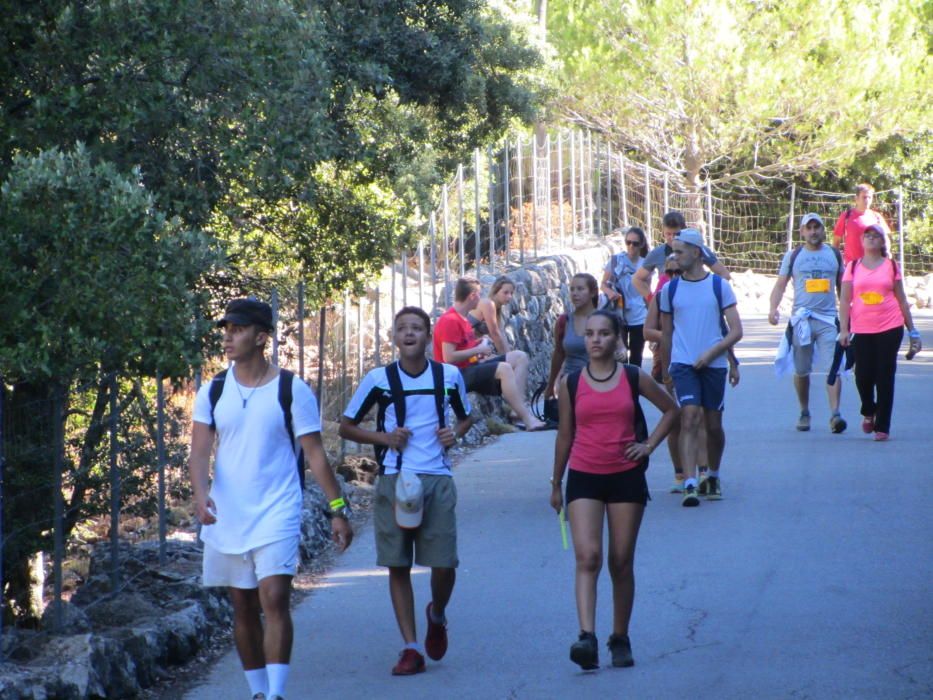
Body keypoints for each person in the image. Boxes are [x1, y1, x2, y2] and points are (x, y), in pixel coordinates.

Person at [189, 298, 352, 700]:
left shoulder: (290, 389)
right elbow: (198, 450)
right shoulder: (212, 390)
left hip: (277, 507)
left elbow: (314, 453)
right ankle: (258, 692)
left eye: (238, 329)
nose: (228, 336)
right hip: (228, 511)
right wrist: (200, 495)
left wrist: (337, 510)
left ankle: (276, 694)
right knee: (242, 607)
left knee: (275, 597)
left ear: (262, 337)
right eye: (226, 328)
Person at [339, 307, 472, 675]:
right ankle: (411, 647)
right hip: (394, 479)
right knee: (398, 563)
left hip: (438, 478)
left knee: (444, 563)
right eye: (402, 329)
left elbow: (466, 415)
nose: (409, 334)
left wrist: (454, 434)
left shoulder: (448, 376)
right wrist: (383, 438)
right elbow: (346, 426)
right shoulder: (378, 379)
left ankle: (437, 612)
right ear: (394, 338)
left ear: (428, 337)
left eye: (417, 328)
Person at [550, 310, 678, 671]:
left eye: (603, 334)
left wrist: (648, 446)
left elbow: (672, 410)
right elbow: (564, 436)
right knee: (587, 557)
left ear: (617, 338)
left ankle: (619, 637)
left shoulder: (632, 376)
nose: (595, 340)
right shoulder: (571, 383)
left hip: (625, 476)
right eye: (589, 334)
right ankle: (586, 637)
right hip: (584, 475)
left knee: (620, 562)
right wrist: (555, 482)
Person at [659, 229, 743, 506]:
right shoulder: (669, 290)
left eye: (680, 251)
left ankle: (714, 475)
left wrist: (714, 355)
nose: (675, 256)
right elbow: (667, 333)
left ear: (696, 253)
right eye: (674, 251)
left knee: (713, 424)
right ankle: (691, 481)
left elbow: (735, 330)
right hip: (683, 364)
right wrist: (666, 369)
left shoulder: (719, 286)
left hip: (713, 364)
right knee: (689, 417)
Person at [838, 225, 921, 441]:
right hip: (862, 328)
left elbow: (902, 299)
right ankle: (868, 409)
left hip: (890, 327)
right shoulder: (853, 267)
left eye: (876, 236)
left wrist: (912, 331)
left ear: (883, 242)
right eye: (868, 236)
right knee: (863, 375)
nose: (872, 239)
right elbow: (846, 300)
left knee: (885, 375)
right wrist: (844, 329)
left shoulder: (891, 266)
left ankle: (883, 426)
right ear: (862, 241)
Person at [769, 213, 847, 433]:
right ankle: (804, 411)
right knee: (802, 370)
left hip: (828, 320)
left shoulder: (834, 254)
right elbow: (780, 285)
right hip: (802, 319)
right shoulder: (793, 256)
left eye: (817, 227)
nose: (813, 232)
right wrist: (773, 309)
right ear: (802, 232)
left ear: (823, 230)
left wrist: (847, 321)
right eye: (809, 228)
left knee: (834, 367)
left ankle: (835, 414)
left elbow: (844, 289)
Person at [434, 276, 545, 430]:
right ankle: (528, 419)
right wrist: (478, 350)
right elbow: (449, 358)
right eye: (479, 294)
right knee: (504, 368)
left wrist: (479, 346)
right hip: (456, 375)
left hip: (470, 367)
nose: (480, 298)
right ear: (472, 296)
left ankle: (516, 410)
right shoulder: (450, 320)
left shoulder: (463, 319)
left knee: (520, 357)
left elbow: (465, 349)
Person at [632, 210, 731, 302]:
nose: (672, 238)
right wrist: (653, 300)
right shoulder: (657, 253)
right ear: (663, 232)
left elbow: (725, 275)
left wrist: (707, 293)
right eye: (668, 234)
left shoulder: (698, 250)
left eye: (675, 234)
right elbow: (637, 279)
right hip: (670, 306)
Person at [545, 273, 599, 399]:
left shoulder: (606, 320)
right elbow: (558, 353)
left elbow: (619, 348)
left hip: (599, 384)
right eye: (572, 289)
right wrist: (551, 384)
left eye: (580, 289)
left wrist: (622, 352)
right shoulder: (564, 321)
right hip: (570, 385)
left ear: (593, 292)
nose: (575, 293)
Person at [601, 227, 650, 366]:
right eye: (628, 242)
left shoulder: (645, 265)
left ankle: (634, 386)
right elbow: (603, 284)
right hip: (618, 315)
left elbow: (647, 293)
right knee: (619, 358)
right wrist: (610, 293)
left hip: (639, 316)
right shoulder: (616, 261)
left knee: (636, 358)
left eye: (635, 243)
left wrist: (653, 317)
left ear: (641, 244)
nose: (631, 246)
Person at [832, 183, 892, 264]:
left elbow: (886, 239)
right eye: (864, 197)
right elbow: (836, 242)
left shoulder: (877, 217)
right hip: (852, 267)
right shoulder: (846, 216)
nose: (867, 200)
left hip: (873, 266)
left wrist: (887, 252)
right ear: (856, 199)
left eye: (869, 197)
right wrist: (837, 262)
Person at [467, 276, 516, 355]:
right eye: (505, 292)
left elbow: (501, 334)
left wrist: (509, 354)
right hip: (462, 349)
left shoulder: (497, 309)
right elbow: (495, 334)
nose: (510, 296)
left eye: (511, 293)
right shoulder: (488, 304)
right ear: (495, 292)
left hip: (472, 348)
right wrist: (506, 358)